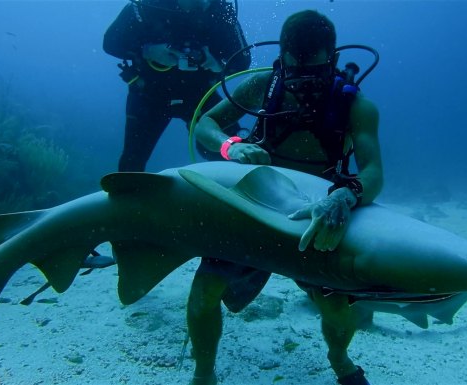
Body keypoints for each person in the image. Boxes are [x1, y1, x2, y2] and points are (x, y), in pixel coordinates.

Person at [188, 10, 383, 385]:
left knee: (336, 307)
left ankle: (340, 360)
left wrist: (346, 195)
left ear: (334, 60)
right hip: (253, 206)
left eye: (314, 73)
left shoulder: (356, 106)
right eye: (296, 72)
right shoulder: (261, 85)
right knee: (205, 291)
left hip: (318, 215)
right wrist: (231, 146)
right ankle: (203, 374)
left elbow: (373, 171)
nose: (303, 86)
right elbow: (205, 124)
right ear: (282, 57)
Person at [103, 0, 251, 171]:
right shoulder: (145, 6)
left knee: (235, 152)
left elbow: (242, 59)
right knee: (132, 160)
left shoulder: (220, 11)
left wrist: (216, 62)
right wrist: (147, 50)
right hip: (149, 93)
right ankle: (127, 194)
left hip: (200, 93)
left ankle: (231, 188)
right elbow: (110, 43)